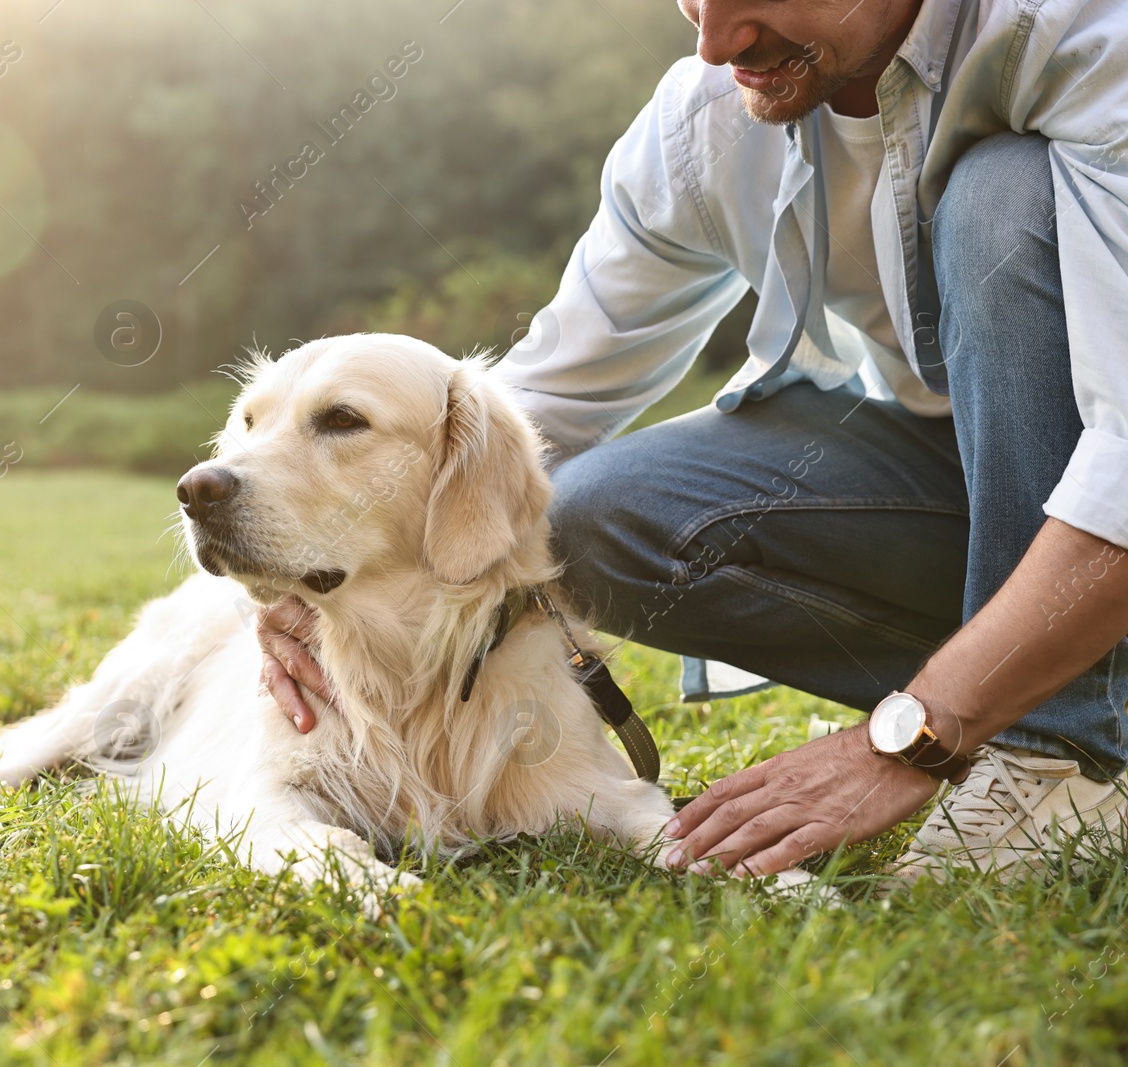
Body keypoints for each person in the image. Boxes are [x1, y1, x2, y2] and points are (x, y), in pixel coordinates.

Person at [257, 0, 1128, 881]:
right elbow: (536, 408)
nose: (716, 43)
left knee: (1003, 197)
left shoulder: (1085, 37)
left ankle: (1065, 748)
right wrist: (300, 555)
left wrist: (908, 738)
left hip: (1108, 473)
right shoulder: (706, 117)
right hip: (966, 486)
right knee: (602, 513)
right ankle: (1028, 680)